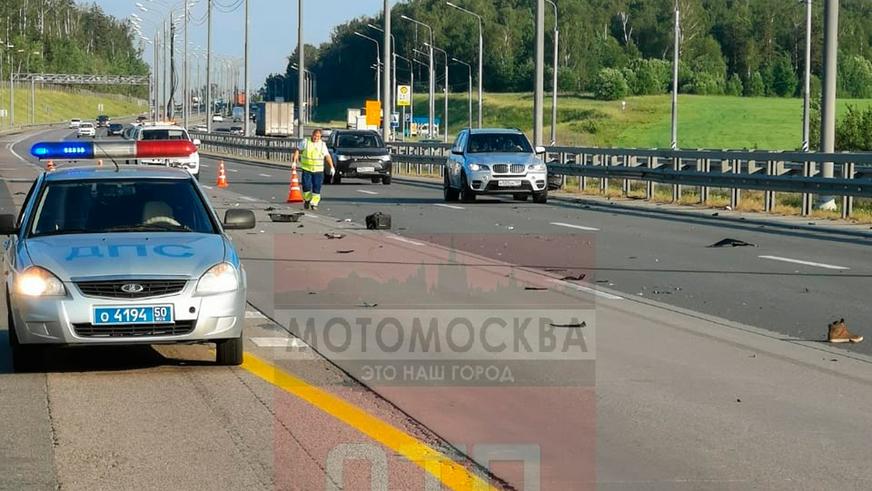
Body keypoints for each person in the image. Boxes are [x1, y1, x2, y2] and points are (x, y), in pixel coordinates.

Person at [292, 128, 335, 210]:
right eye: (315, 136)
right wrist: (294, 161)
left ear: (320, 137)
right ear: (312, 135)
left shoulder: (322, 145)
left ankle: (314, 203)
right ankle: (307, 200)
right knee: (306, 186)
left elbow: (327, 156)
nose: (316, 138)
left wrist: (332, 167)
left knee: (317, 187)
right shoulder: (306, 142)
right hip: (307, 169)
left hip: (318, 170)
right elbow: (297, 150)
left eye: (318, 137)